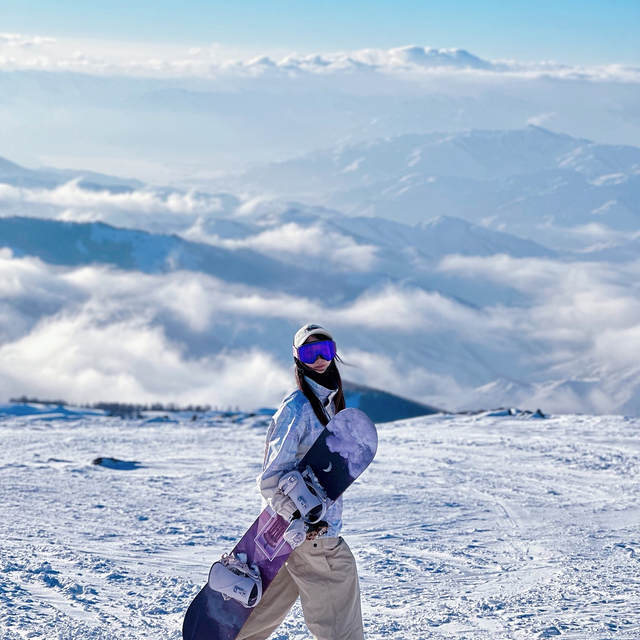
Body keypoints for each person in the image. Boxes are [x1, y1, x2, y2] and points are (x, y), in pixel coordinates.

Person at [237, 323, 365, 640]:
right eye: (311, 352)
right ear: (298, 359)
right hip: (312, 535)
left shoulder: (328, 404)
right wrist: (302, 523)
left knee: (263, 612)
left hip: (293, 538)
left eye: (326, 350)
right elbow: (270, 479)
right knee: (340, 611)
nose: (320, 359)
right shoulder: (297, 408)